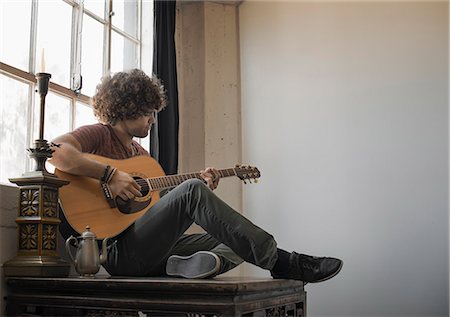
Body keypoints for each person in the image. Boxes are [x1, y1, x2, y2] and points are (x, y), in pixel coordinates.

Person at [50, 69, 343, 282]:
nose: (152, 119)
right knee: (192, 191)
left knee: (236, 241)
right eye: (147, 112)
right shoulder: (98, 135)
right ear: (127, 108)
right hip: (114, 252)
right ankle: (282, 261)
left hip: (150, 251)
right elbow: (57, 151)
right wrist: (110, 175)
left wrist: (202, 190)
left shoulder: (143, 159)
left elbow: (156, 210)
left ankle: (187, 265)